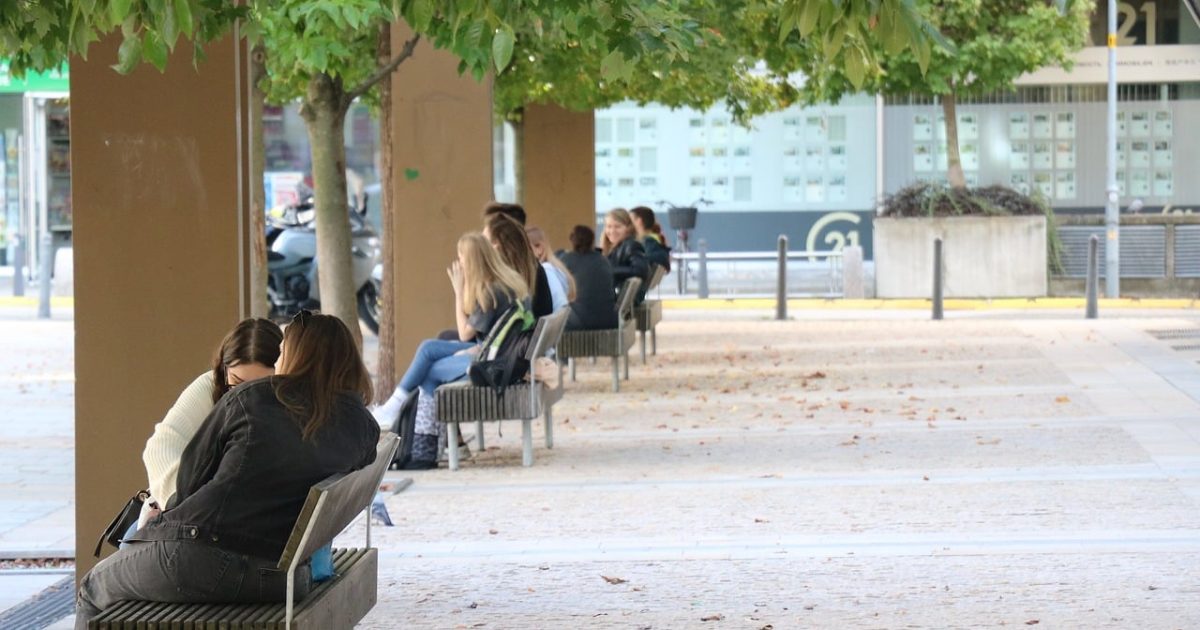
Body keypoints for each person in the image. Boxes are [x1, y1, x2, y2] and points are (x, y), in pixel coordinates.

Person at [76, 312, 379, 629]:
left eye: (283, 350)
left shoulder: (249, 399)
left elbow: (189, 484)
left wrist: (161, 523)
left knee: (94, 588)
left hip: (203, 560)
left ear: (292, 355)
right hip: (287, 577)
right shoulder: (362, 428)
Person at [373, 233, 531, 468]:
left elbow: (465, 332)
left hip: (490, 365)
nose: (459, 262)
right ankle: (414, 431)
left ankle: (422, 445)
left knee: (428, 370)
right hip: (496, 355)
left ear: (474, 260)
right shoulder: (504, 283)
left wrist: (458, 291)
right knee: (428, 348)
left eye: (462, 257)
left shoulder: (491, 292)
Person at [138, 319, 282, 529]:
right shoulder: (209, 387)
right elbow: (159, 447)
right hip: (187, 521)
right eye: (237, 383)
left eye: (260, 386)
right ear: (224, 370)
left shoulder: (290, 402)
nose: (247, 396)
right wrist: (183, 504)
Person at [485, 213, 554, 318]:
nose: (480, 247)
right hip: (534, 331)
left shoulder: (503, 278)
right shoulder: (533, 267)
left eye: (484, 242)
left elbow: (471, 328)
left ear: (497, 245)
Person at [559, 225, 619, 331]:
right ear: (592, 240)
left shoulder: (566, 260)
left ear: (572, 240)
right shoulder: (603, 260)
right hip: (609, 320)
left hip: (579, 322)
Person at [600, 208, 650, 301]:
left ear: (628, 228)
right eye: (609, 226)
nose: (612, 231)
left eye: (617, 227)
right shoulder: (615, 247)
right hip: (616, 297)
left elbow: (640, 270)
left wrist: (610, 271)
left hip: (617, 299)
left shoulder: (631, 245)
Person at [526, 226, 575, 313]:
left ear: (539, 248)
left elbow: (560, 304)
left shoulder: (546, 271)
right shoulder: (556, 268)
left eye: (525, 249)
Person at [629, 206, 671, 273]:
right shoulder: (655, 239)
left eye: (630, 220)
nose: (627, 224)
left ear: (639, 221)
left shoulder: (649, 242)